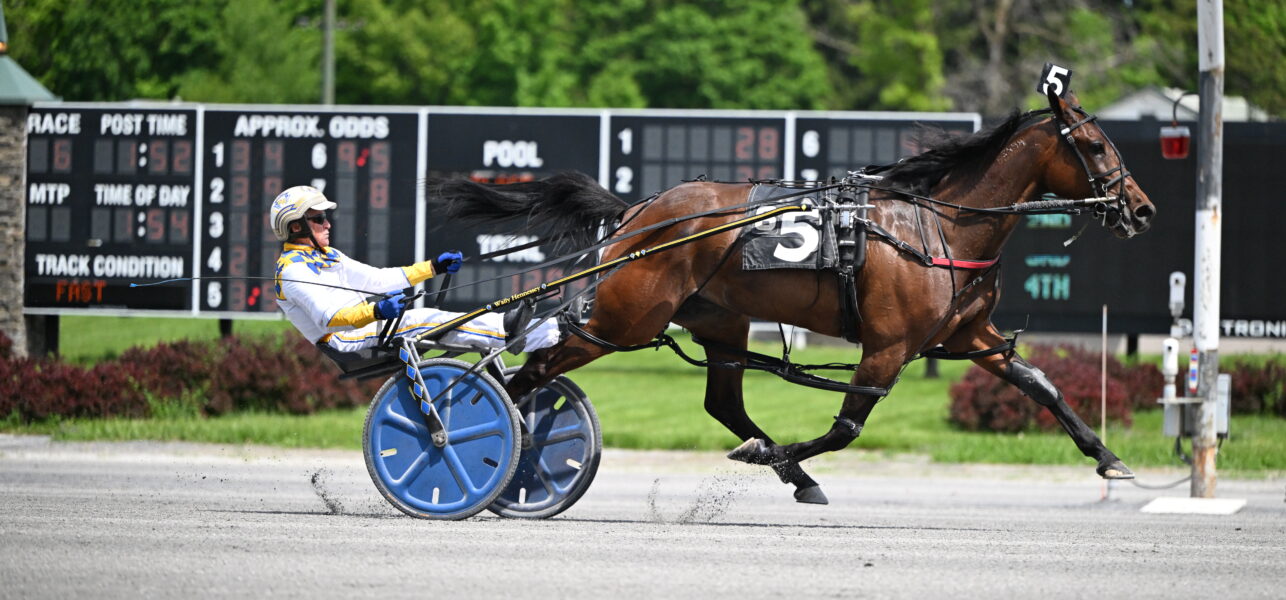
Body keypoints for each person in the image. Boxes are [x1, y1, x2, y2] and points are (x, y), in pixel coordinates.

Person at [269, 185, 560, 354]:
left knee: (430, 319)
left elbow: (378, 280)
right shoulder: (292, 271)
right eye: (318, 219)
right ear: (295, 227)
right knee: (420, 319)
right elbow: (329, 319)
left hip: (362, 328)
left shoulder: (329, 256)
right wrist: (377, 311)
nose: (327, 224)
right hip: (342, 339)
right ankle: (523, 333)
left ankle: (546, 329)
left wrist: (433, 267)